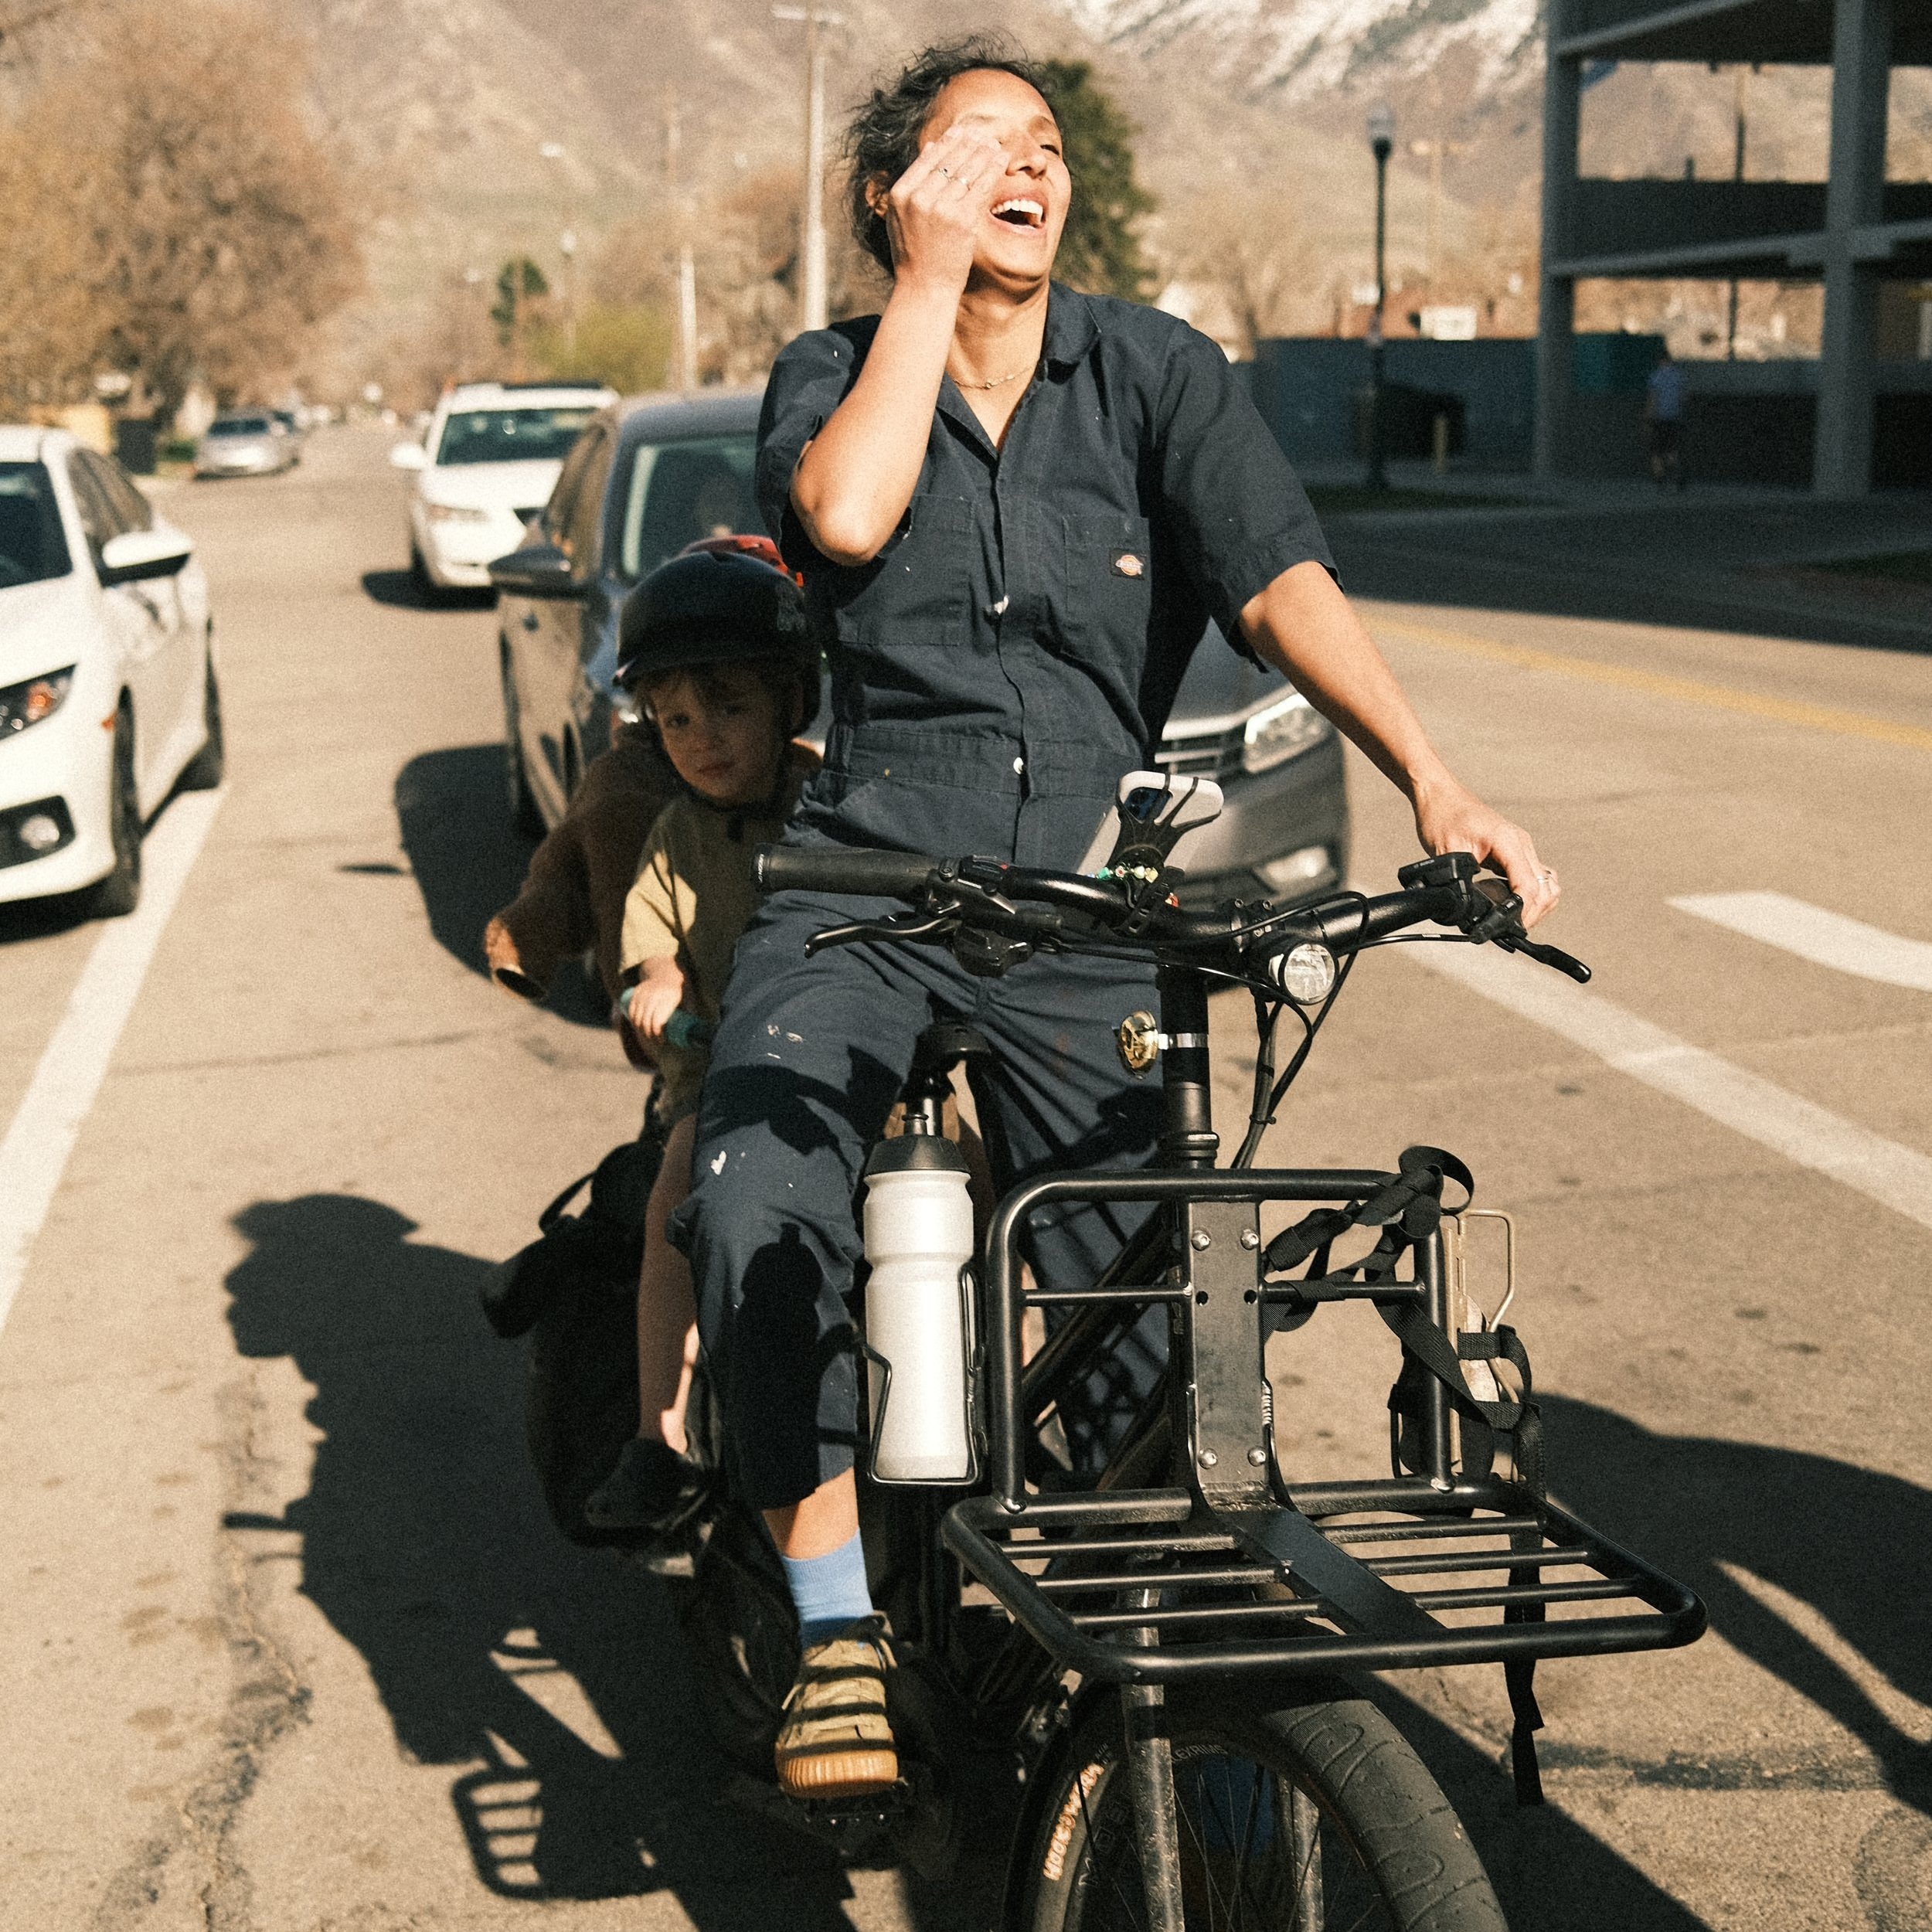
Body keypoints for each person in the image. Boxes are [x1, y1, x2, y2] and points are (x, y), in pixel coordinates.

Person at [669, 36, 1562, 1801]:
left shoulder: (1153, 371)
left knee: (1152, 1280)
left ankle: (1142, 1665)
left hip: (1078, 904)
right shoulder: (834, 369)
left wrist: (1431, 780)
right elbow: (846, 513)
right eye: (976, 142)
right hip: (859, 893)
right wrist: (925, 285)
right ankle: (836, 1618)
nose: (1027, 163)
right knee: (761, 1195)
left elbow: (1279, 578)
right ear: (892, 193)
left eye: (1048, 142)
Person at [580, 546, 821, 1532]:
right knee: (676, 1196)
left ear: (788, 702)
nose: (702, 738)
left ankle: (1014, 1402)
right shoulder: (675, 833)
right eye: (675, 720)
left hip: (848, 1067)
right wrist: (660, 979)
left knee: (976, 1178)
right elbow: (652, 944)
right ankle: (660, 1435)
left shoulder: (827, 805)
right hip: (720, 1074)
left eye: (727, 707)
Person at [1646, 346, 1687, 491]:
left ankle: (1660, 478)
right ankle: (1677, 473)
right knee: (1671, 449)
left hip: (1659, 418)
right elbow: (1683, 398)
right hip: (1674, 418)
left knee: (1657, 451)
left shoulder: (1656, 377)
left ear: (1659, 361)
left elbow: (1653, 399)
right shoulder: (1679, 376)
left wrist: (1648, 417)